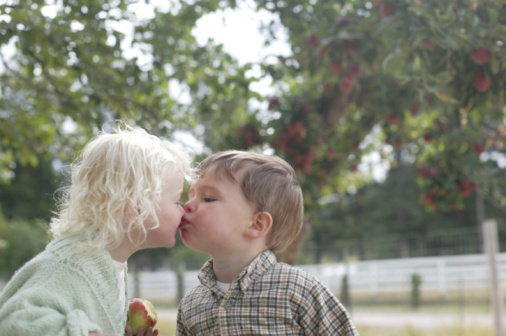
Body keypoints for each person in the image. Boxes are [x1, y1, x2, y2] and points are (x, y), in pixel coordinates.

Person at [0, 122, 193, 336]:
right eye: (176, 201)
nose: (183, 211)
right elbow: (15, 322)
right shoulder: (70, 263)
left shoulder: (109, 262)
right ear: (137, 208)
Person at [176, 150, 360, 335]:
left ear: (257, 224)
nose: (188, 205)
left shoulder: (298, 290)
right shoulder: (191, 304)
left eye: (207, 198)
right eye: (190, 196)